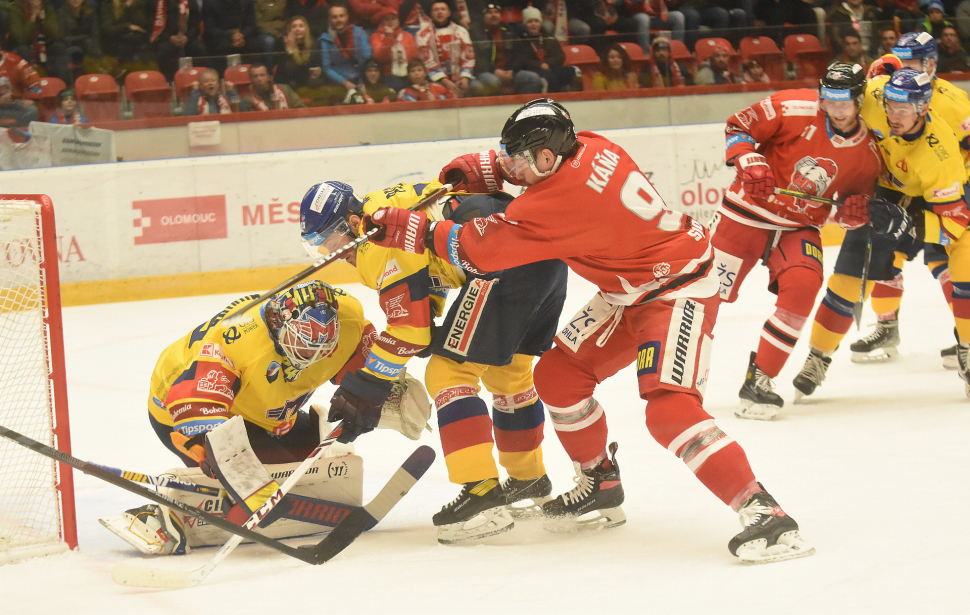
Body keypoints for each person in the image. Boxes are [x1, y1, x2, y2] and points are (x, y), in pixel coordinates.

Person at [364, 98, 816, 564]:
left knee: (669, 410)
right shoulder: (593, 146)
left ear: (546, 156)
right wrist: (493, 169)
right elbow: (540, 182)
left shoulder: (562, 199)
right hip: (631, 288)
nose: (514, 166)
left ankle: (763, 511)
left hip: (679, 289)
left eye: (519, 159)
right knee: (558, 379)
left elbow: (481, 248)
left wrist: (416, 229)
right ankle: (600, 481)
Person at [299, 180, 568, 544]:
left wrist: (363, 390)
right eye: (320, 248)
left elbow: (410, 332)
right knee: (509, 375)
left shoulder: (376, 249)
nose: (333, 254)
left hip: (501, 267)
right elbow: (429, 272)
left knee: (448, 373)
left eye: (332, 242)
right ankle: (528, 480)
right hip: (544, 258)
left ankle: (482, 495)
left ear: (351, 221)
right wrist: (431, 319)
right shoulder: (383, 201)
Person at [118, 281, 411, 554]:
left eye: (324, 346)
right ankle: (163, 514)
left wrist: (373, 392)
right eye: (305, 345)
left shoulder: (349, 319)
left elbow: (375, 368)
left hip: (267, 411)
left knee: (301, 470)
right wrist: (221, 454)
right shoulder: (236, 344)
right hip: (183, 411)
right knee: (249, 482)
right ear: (278, 327)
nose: (314, 356)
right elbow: (192, 400)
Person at [710, 63, 884, 420]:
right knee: (703, 295)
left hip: (799, 227)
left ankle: (759, 381)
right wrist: (750, 161)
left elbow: (852, 209)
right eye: (829, 100)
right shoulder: (794, 107)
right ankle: (668, 366)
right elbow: (738, 124)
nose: (835, 109)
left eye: (844, 102)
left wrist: (855, 214)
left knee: (804, 286)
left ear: (859, 101)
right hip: (745, 213)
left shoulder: (869, 153)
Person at [792, 68, 970, 400]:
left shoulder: (940, 154)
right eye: (890, 106)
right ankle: (817, 357)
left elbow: (954, 223)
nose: (893, 115)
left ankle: (969, 347)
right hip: (885, 194)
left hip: (933, 202)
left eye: (902, 110)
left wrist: (909, 225)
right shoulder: (875, 97)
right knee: (847, 276)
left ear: (923, 108)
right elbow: (875, 73)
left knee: (966, 261)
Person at [469, 3, 543, 97]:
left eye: (496, 12)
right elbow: (477, 58)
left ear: (501, 16)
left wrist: (512, 70)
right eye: (489, 12)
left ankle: (522, 108)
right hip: (488, 72)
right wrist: (494, 71)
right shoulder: (476, 34)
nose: (493, 15)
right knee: (492, 81)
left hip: (510, 72)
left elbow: (520, 54)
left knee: (533, 78)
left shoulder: (511, 31)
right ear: (483, 17)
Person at [415, 0, 476, 98]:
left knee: (478, 88)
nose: (439, 12)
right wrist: (444, 81)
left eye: (443, 9)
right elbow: (427, 61)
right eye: (436, 10)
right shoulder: (422, 35)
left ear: (449, 13)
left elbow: (469, 57)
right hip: (436, 81)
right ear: (431, 14)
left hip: (461, 79)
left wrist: (465, 78)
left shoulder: (461, 31)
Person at [508, 7, 576, 92]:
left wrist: (547, 63)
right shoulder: (520, 40)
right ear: (525, 24)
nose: (534, 24)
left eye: (536, 21)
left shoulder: (548, 37)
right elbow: (520, 61)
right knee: (549, 78)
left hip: (549, 67)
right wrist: (539, 65)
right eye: (530, 22)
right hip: (532, 70)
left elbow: (560, 56)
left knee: (570, 71)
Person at [319, 1, 374, 104]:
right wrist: (344, 82)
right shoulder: (325, 39)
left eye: (341, 16)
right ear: (329, 19)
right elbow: (326, 67)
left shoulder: (359, 33)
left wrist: (364, 80)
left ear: (347, 17)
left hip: (361, 80)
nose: (338, 20)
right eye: (334, 17)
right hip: (338, 82)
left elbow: (368, 58)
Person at [8, 0, 71, 84]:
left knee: (59, 47)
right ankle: (28, 87)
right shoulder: (15, 8)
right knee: (23, 50)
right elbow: (20, 39)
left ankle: (61, 87)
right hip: (24, 46)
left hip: (44, 46)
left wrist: (43, 19)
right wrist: (33, 18)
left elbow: (56, 35)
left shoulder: (47, 8)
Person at [148, 0, 208, 82]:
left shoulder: (191, 2)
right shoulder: (156, 2)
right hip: (165, 39)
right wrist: (169, 37)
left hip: (187, 39)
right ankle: (170, 82)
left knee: (199, 49)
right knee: (164, 50)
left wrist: (187, 37)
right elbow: (152, 24)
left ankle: (203, 79)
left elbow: (195, 24)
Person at [273, 15, 327, 104]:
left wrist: (318, 71)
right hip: (290, 82)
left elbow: (316, 64)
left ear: (306, 29)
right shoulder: (282, 44)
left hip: (305, 80)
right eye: (294, 26)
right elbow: (286, 72)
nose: (298, 29)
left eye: (301, 26)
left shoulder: (314, 44)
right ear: (289, 30)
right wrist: (289, 51)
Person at [370, 8, 419, 92]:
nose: (390, 22)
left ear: (398, 20)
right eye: (387, 19)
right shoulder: (375, 37)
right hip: (388, 77)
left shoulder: (407, 36)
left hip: (408, 76)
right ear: (382, 22)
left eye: (393, 18)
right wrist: (389, 37)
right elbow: (380, 58)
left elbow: (414, 59)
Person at [0, 50, 41, 128]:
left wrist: (32, 99)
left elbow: (34, 80)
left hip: (14, 105)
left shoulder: (14, 60)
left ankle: (24, 138)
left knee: (32, 110)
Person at [240, 62, 305, 109]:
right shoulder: (248, 100)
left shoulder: (285, 89)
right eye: (255, 76)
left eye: (262, 75)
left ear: (268, 77)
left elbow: (301, 108)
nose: (259, 79)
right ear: (250, 79)